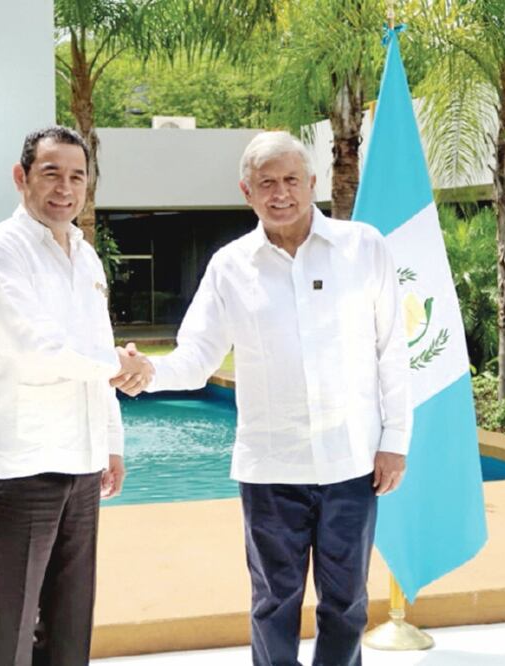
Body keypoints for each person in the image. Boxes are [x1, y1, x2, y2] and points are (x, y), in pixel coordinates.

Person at [118, 131, 411, 666]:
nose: (281, 194)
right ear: (246, 191)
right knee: (273, 602)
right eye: (266, 183)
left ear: (313, 183)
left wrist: (396, 440)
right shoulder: (230, 266)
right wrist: (148, 372)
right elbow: (197, 356)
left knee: (346, 603)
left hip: (351, 462)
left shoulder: (363, 247)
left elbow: (393, 349)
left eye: (291, 180)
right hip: (271, 468)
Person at [0, 125, 154, 666]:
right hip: (17, 467)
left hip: (81, 466)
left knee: (69, 633)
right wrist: (116, 364)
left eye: (77, 176)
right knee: (8, 635)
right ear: (21, 177)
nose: (64, 188)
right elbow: (34, 348)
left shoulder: (86, 257)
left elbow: (95, 350)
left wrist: (110, 442)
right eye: (51, 174)